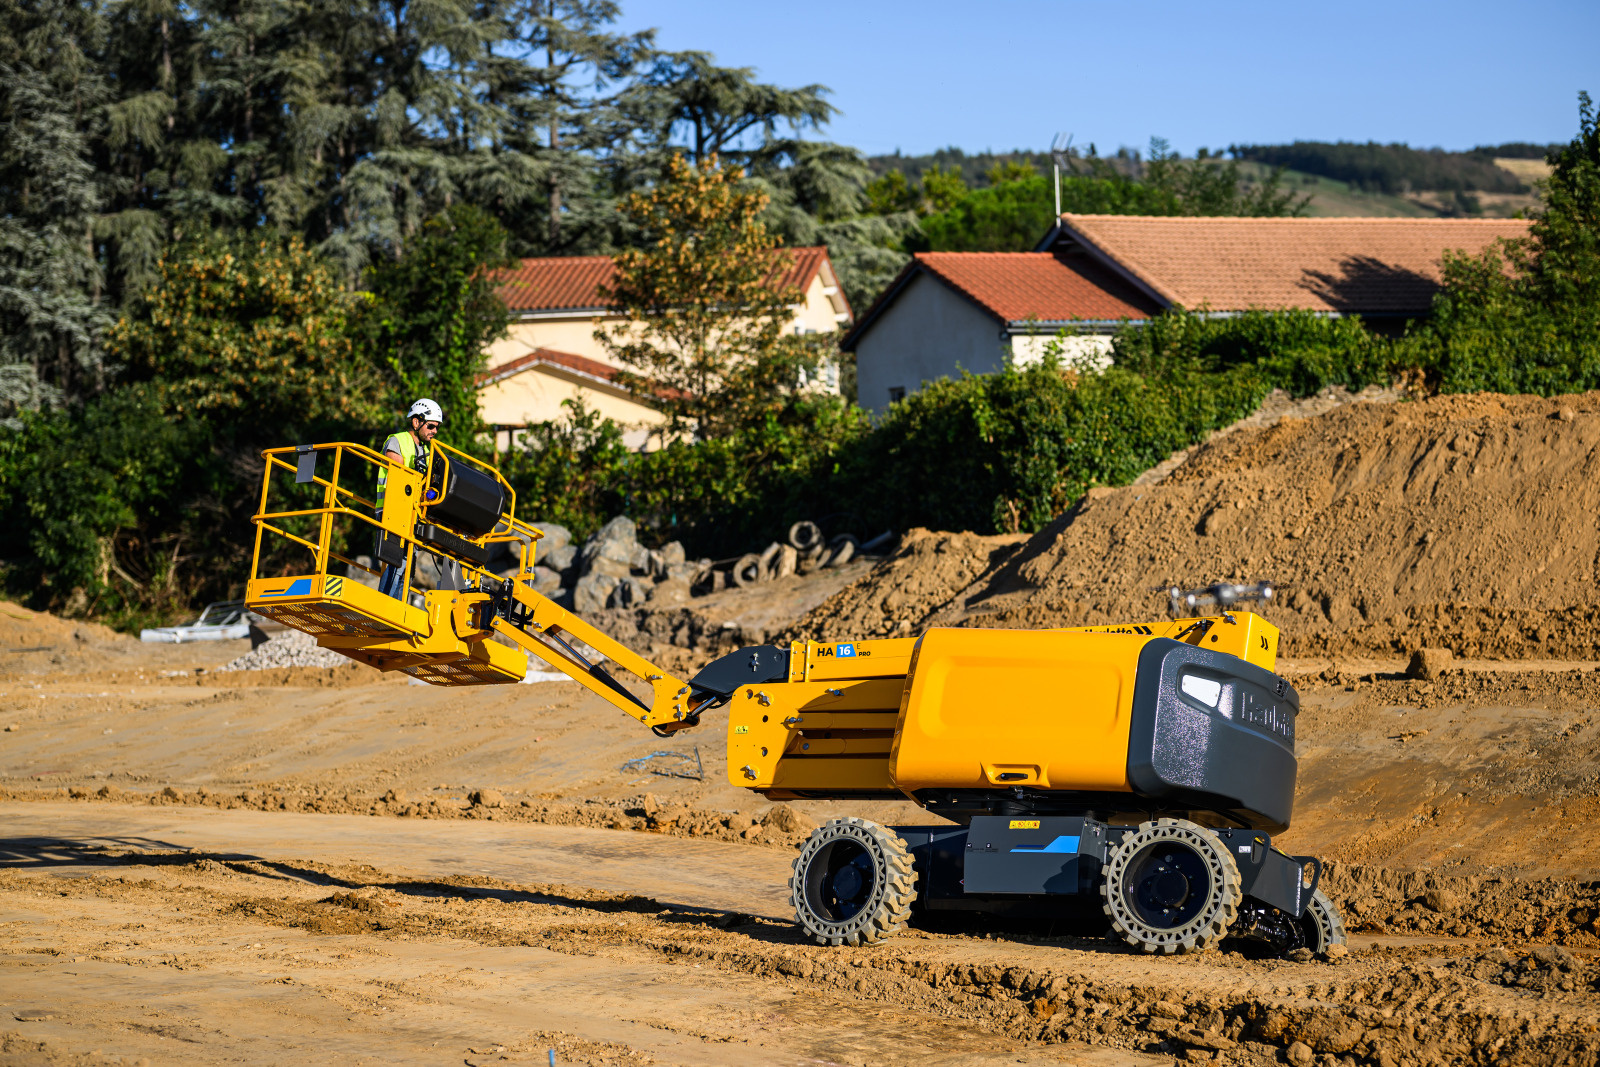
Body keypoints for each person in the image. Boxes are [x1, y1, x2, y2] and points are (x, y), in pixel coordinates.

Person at [376, 399, 443, 599]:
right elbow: (399, 476)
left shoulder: (427, 452)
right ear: (416, 422)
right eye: (431, 426)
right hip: (392, 509)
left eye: (436, 427)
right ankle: (384, 608)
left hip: (412, 514)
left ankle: (397, 609)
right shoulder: (397, 441)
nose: (434, 431)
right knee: (395, 563)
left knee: (407, 567)